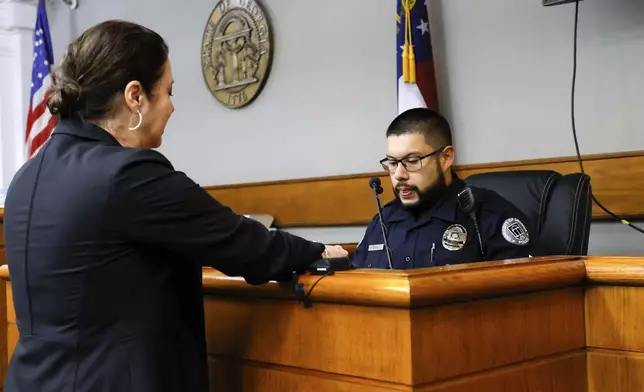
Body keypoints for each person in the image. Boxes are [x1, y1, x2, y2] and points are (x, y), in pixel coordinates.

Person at [2, 20, 347, 392]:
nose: (171, 107)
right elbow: (241, 244)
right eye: (167, 91)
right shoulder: (126, 174)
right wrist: (318, 251)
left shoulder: (25, 178)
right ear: (135, 96)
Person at [352, 108, 534, 269]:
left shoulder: (488, 216)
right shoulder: (383, 221)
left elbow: (524, 294)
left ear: (445, 158)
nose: (399, 174)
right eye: (392, 162)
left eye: (412, 161)